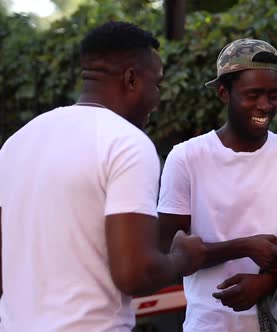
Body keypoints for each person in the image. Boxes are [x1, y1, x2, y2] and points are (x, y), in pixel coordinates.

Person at [0, 21, 205, 332]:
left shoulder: (18, 142)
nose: (158, 97)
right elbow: (135, 274)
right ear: (132, 79)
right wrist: (183, 258)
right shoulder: (126, 143)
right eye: (157, 84)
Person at [157, 38, 277, 331]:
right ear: (224, 92)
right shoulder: (186, 158)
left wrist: (265, 283)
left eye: (273, 95)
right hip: (208, 324)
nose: (265, 105)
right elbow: (169, 254)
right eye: (253, 94)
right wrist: (244, 247)